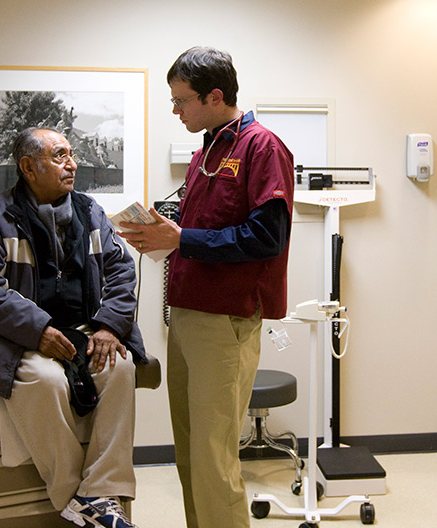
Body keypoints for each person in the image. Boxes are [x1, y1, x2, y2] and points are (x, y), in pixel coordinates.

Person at [119, 46, 294, 528]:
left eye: (181, 101)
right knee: (191, 449)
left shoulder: (262, 148)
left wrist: (183, 237)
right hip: (188, 315)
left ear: (214, 96)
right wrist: (161, 234)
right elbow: (201, 231)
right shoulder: (207, 152)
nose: (175, 110)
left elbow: (267, 236)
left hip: (225, 321)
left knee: (214, 458)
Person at [0, 127, 146, 528]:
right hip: (19, 337)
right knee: (44, 380)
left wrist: (110, 327)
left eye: (71, 155)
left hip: (85, 328)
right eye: (60, 155)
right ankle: (73, 496)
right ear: (29, 167)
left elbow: (121, 272)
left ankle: (99, 491)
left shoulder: (90, 211)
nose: (73, 164)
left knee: (121, 368)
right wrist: (39, 330)